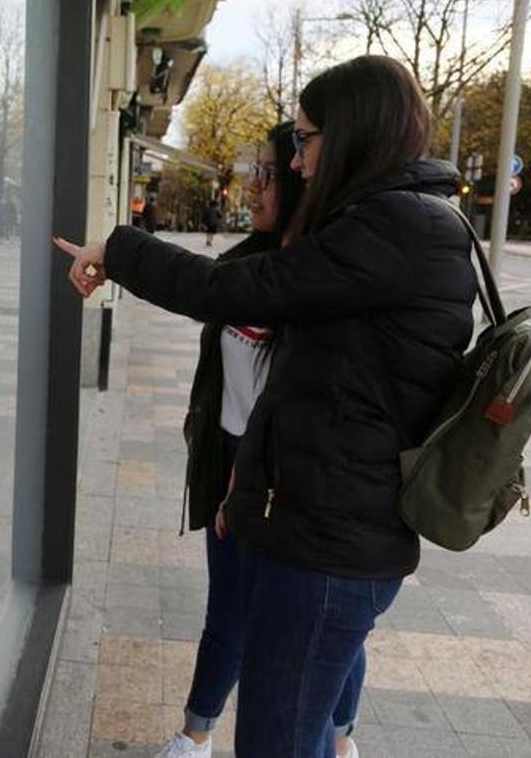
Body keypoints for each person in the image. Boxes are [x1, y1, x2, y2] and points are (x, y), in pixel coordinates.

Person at [54, 55, 476, 757]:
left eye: (305, 139)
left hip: (329, 548)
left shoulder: (396, 230)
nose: (298, 161)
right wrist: (245, 494)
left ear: (351, 134)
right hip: (315, 528)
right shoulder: (390, 224)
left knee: (277, 742)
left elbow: (231, 293)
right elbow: (306, 392)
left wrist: (119, 249)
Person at [155, 123, 364, 758]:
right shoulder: (244, 262)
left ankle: (338, 737)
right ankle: (197, 734)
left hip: (293, 483)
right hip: (230, 458)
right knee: (232, 607)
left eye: (271, 172)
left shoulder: (335, 276)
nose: (254, 185)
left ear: (307, 180)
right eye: (258, 169)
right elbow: (193, 288)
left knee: (328, 629)